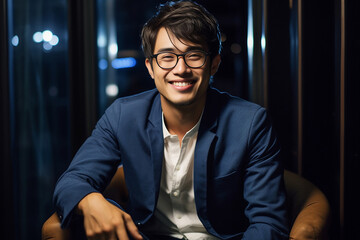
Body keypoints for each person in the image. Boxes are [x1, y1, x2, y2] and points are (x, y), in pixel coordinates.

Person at [53, 1, 289, 239]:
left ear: (214, 64)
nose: (181, 69)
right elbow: (72, 181)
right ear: (150, 67)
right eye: (167, 57)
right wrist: (92, 200)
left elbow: (268, 222)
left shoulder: (250, 122)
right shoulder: (123, 115)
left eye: (194, 55)